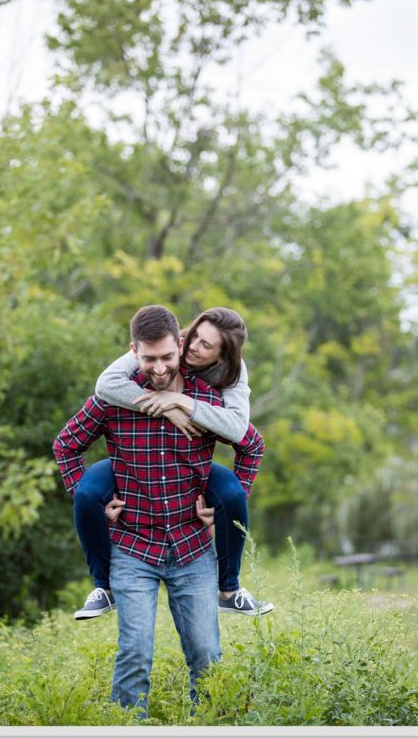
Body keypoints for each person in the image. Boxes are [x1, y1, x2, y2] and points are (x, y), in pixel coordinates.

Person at [53, 305, 266, 716]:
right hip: (133, 549)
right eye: (148, 358)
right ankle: (129, 724)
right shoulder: (116, 395)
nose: (158, 367)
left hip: (192, 548)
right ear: (134, 351)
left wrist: (225, 505)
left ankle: (205, 723)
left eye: (167, 357)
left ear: (179, 346)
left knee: (207, 656)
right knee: (134, 656)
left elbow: (251, 444)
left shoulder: (207, 401)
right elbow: (66, 444)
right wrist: (91, 500)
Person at [70, 307, 273, 620]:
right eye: (194, 337)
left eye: (207, 345)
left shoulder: (229, 377)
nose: (193, 347)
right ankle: (103, 587)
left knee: (231, 494)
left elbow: (241, 433)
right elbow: (105, 385)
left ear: (222, 355)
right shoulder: (158, 350)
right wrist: (164, 407)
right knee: (86, 493)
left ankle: (229, 590)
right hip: (132, 463)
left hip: (188, 466)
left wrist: (182, 402)